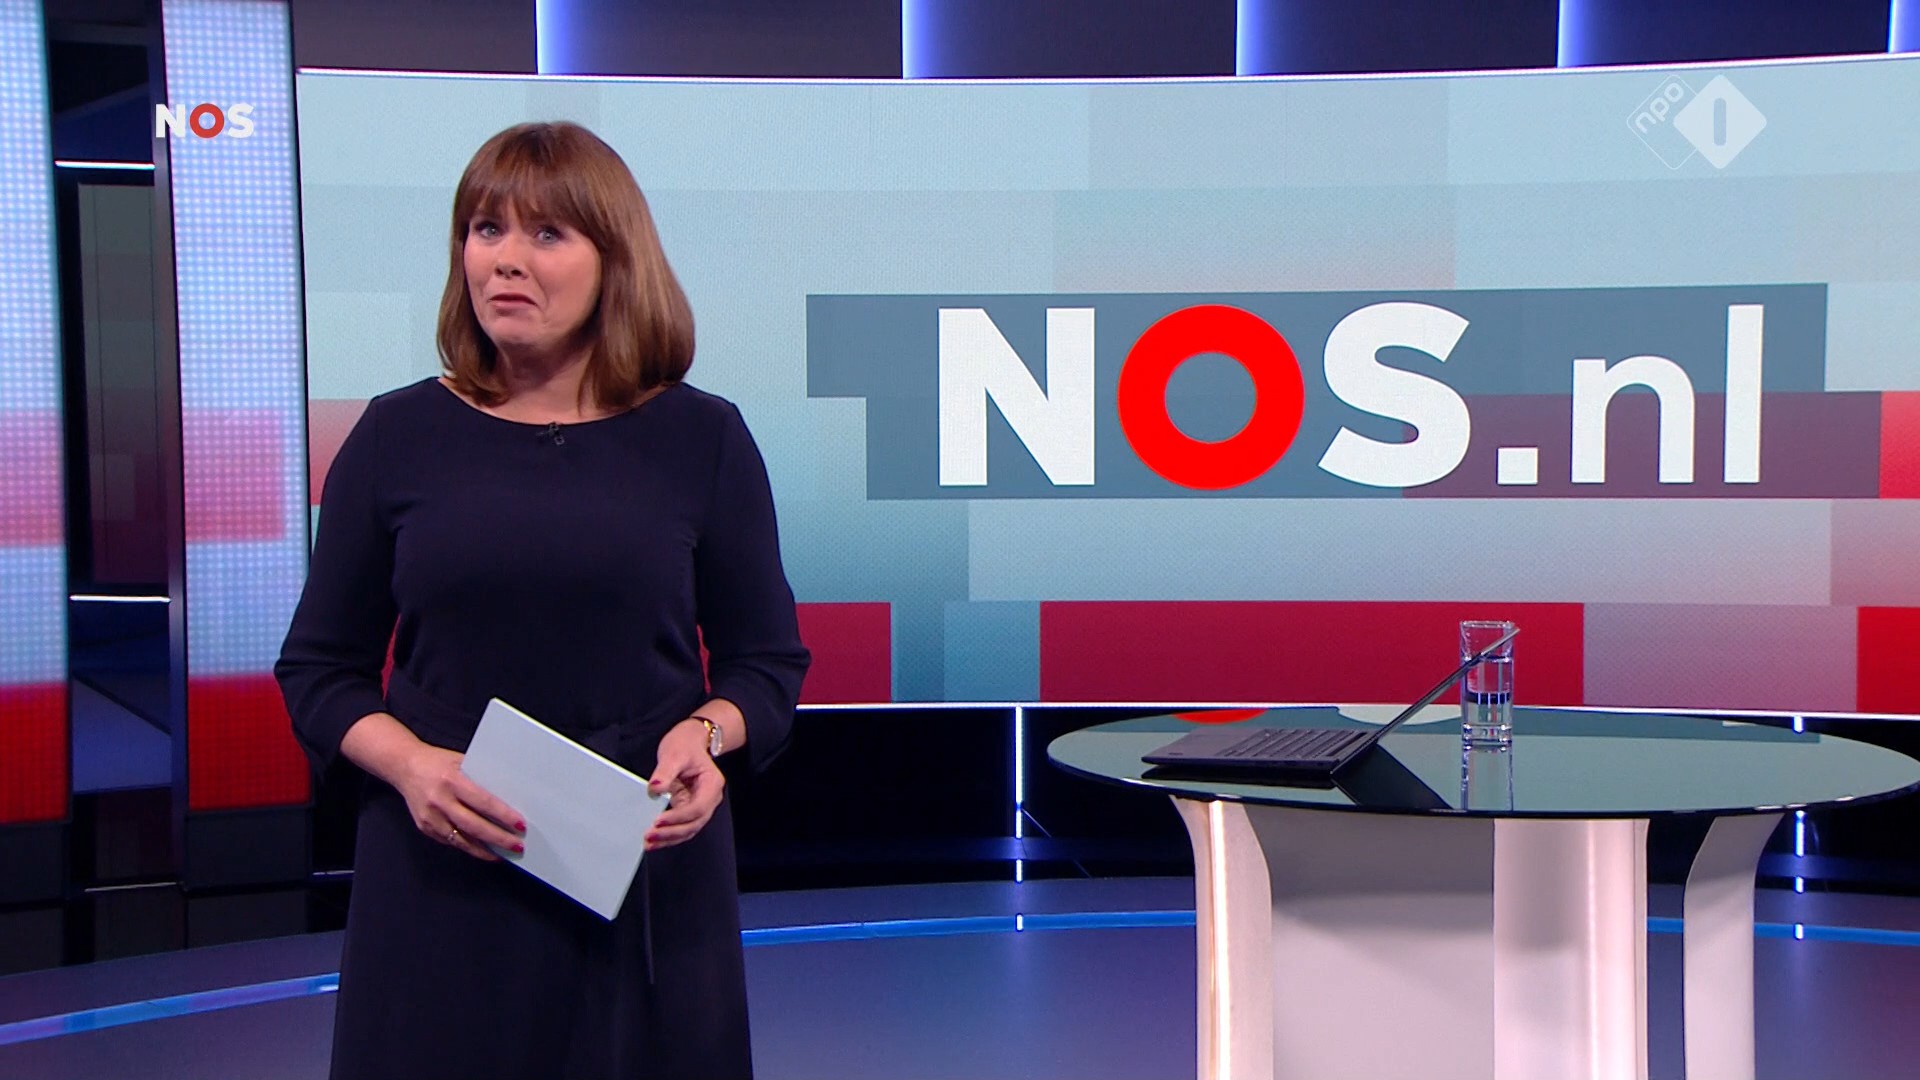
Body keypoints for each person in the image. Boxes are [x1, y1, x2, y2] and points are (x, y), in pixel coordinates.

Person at [276, 121, 810, 1080]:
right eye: (486, 230)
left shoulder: (704, 439)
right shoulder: (396, 435)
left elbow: (765, 665)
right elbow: (319, 670)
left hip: (645, 875)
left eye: (546, 234)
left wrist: (708, 736)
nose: (506, 260)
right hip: (444, 876)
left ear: (615, 261)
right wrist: (412, 767)